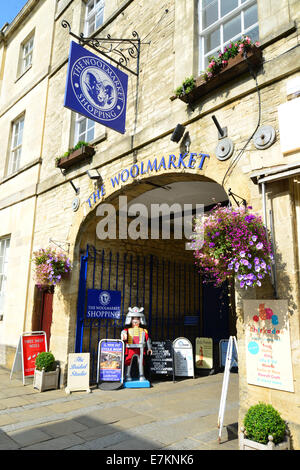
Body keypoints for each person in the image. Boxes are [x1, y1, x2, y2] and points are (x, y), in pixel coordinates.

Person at [121, 307, 152, 381]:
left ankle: (141, 375)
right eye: (133, 318)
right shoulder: (127, 330)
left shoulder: (144, 330)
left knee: (141, 362)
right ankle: (127, 375)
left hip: (140, 349)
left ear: (140, 320)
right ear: (130, 320)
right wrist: (123, 335)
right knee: (128, 362)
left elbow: (147, 339)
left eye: (137, 319)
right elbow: (123, 334)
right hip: (130, 349)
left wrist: (149, 348)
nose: (135, 320)